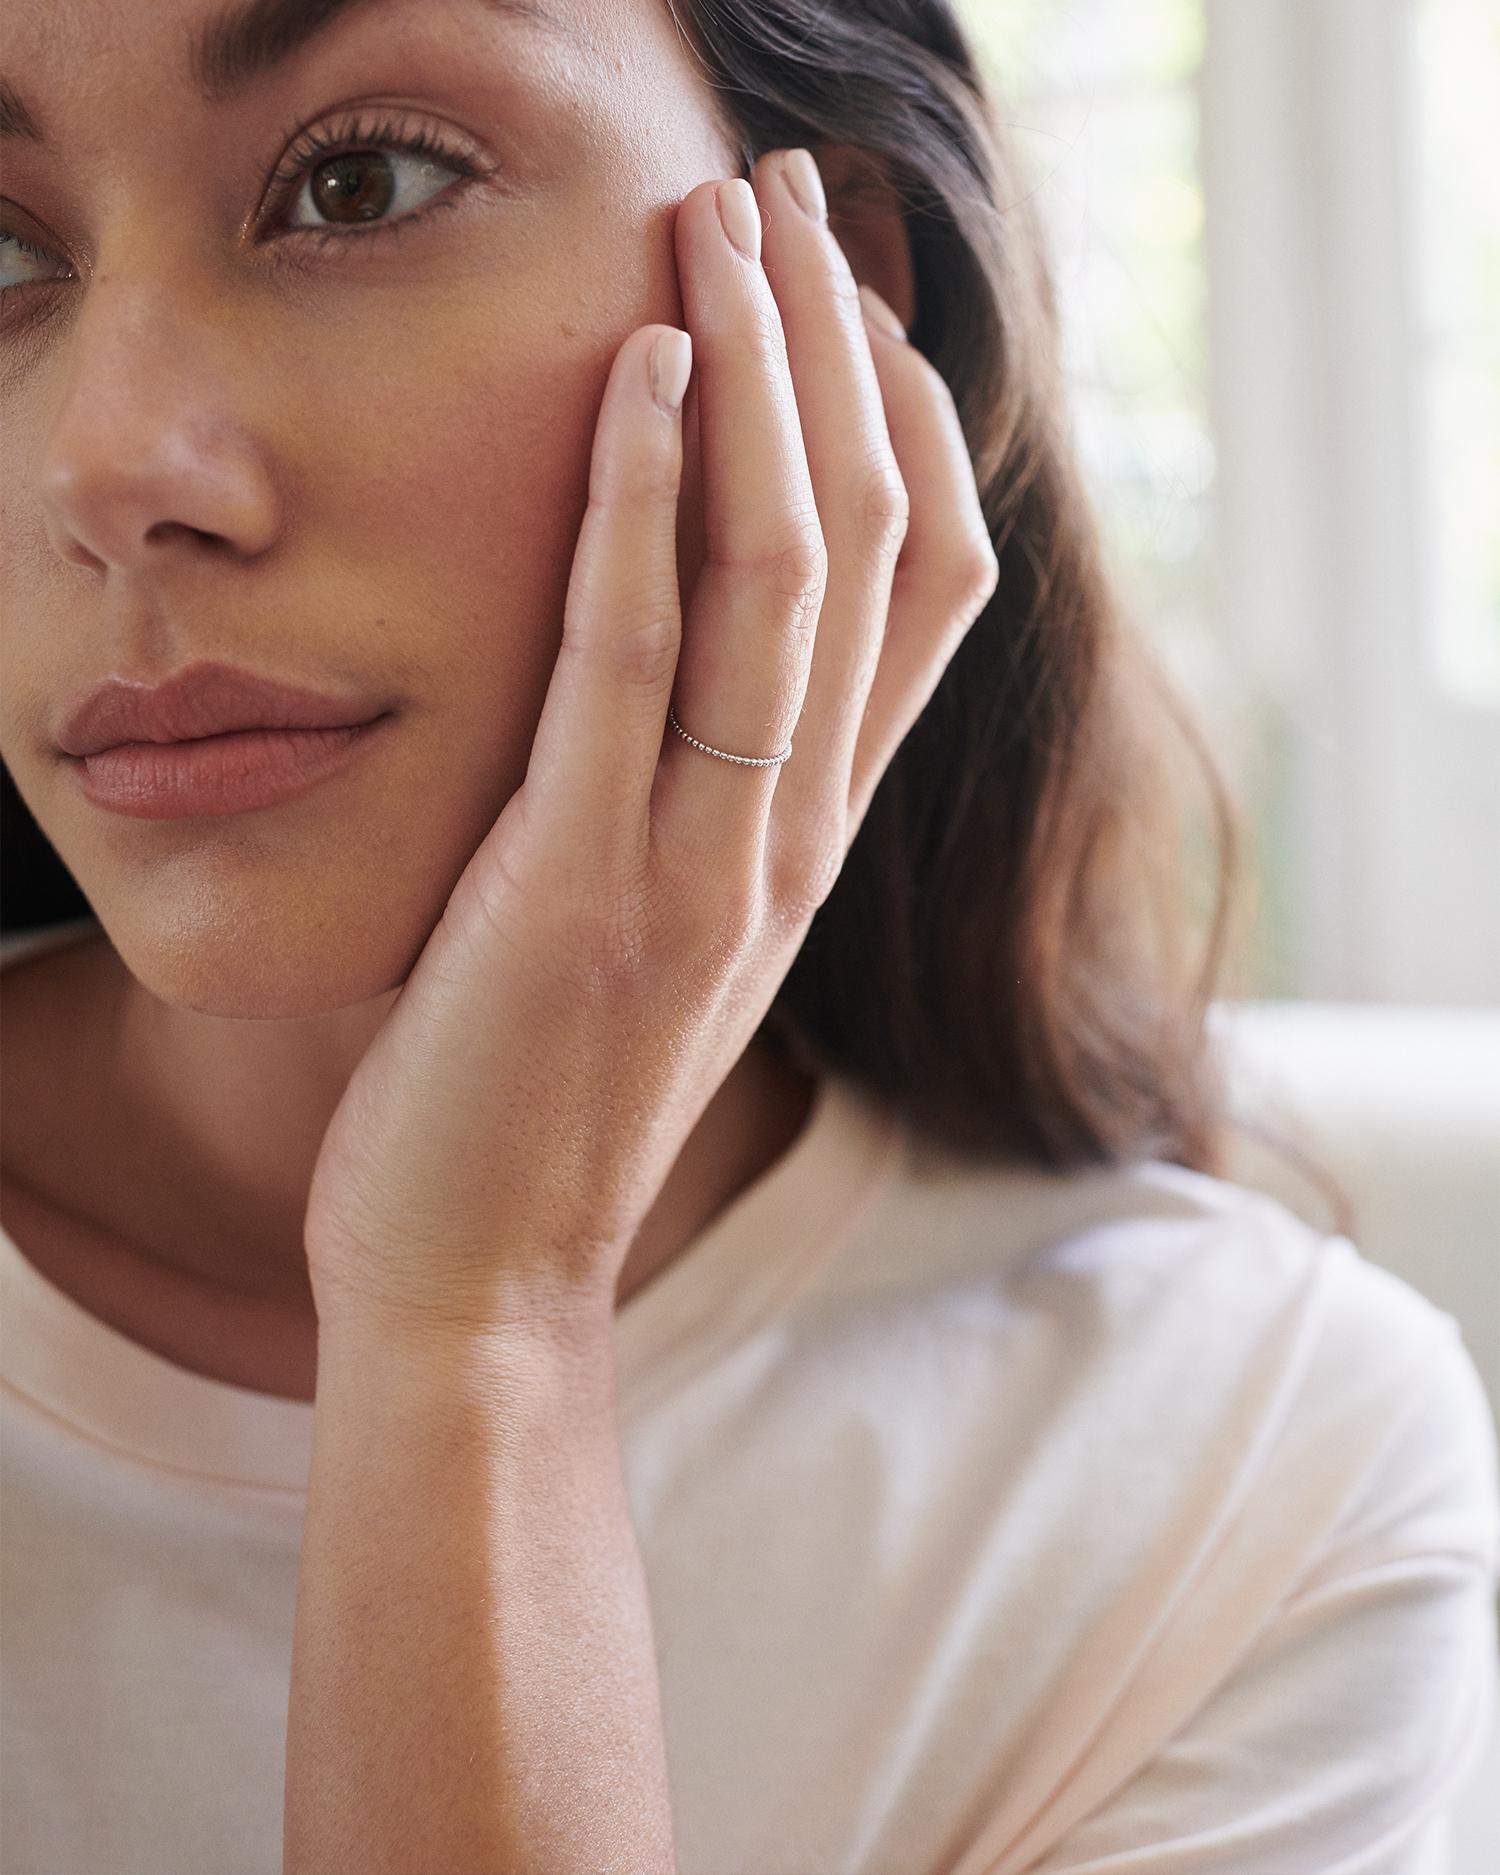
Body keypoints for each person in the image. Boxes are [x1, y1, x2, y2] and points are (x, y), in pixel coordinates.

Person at [1, 1, 1495, 1870]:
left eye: (359, 183)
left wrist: (474, 1327)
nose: (111, 465)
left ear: (834, 298)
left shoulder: (1241, 1486)